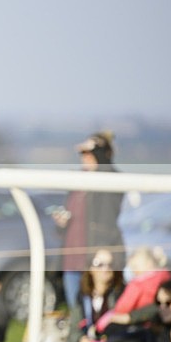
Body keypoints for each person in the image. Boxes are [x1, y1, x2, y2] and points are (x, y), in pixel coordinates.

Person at [53, 131, 125, 312]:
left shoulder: (109, 181)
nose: (84, 158)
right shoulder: (77, 181)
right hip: (71, 260)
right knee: (77, 312)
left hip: (95, 259)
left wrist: (102, 150)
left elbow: (114, 217)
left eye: (88, 153)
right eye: (82, 154)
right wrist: (61, 223)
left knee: (96, 310)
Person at [58, 249, 125, 342]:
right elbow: (74, 330)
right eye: (100, 264)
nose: (106, 268)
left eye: (110, 264)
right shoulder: (82, 296)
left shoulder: (120, 293)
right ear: (90, 268)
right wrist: (81, 341)